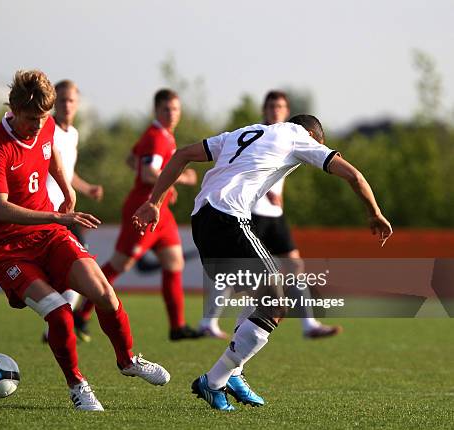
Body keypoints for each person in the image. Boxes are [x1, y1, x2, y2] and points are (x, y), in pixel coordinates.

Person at [133, 114, 392, 410]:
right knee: (277, 302)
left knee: (260, 296)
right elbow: (353, 175)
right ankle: (216, 379)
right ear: (312, 134)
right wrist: (374, 212)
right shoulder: (299, 137)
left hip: (202, 218)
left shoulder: (244, 132)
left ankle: (234, 373)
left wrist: (155, 202)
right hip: (228, 218)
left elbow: (182, 155)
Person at [0, 70, 169, 411]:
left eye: (43, 118)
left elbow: (52, 156)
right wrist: (57, 216)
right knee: (60, 312)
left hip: (49, 236)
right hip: (10, 251)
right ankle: (78, 386)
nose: (38, 125)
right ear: (14, 109)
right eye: (31, 118)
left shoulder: (46, 125)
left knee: (103, 291)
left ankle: (127, 361)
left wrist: (66, 189)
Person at [197, 90, 342, 339]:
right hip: (250, 213)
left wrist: (278, 197)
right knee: (242, 274)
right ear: (265, 110)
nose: (276, 110)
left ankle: (309, 324)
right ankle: (210, 322)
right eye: (272, 106)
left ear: (287, 113)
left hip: (275, 215)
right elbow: (242, 172)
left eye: (281, 106)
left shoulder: (293, 136)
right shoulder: (258, 132)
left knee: (294, 265)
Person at [0, 80, 103, 334]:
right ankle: (62, 325)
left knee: (74, 266)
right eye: (62, 100)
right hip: (40, 213)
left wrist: (80, 190)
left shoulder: (67, 132)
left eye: (70, 101)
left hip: (60, 212)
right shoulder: (33, 128)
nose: (66, 105)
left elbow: (63, 169)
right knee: (66, 267)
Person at [74, 89, 203, 341]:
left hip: (160, 211)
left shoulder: (162, 135)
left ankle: (177, 327)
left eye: (175, 109)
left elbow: (132, 159)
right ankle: (82, 314)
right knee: (120, 264)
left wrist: (165, 187)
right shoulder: (157, 137)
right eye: (167, 109)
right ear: (157, 111)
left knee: (174, 263)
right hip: (143, 210)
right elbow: (147, 172)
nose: (172, 113)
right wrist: (180, 178)